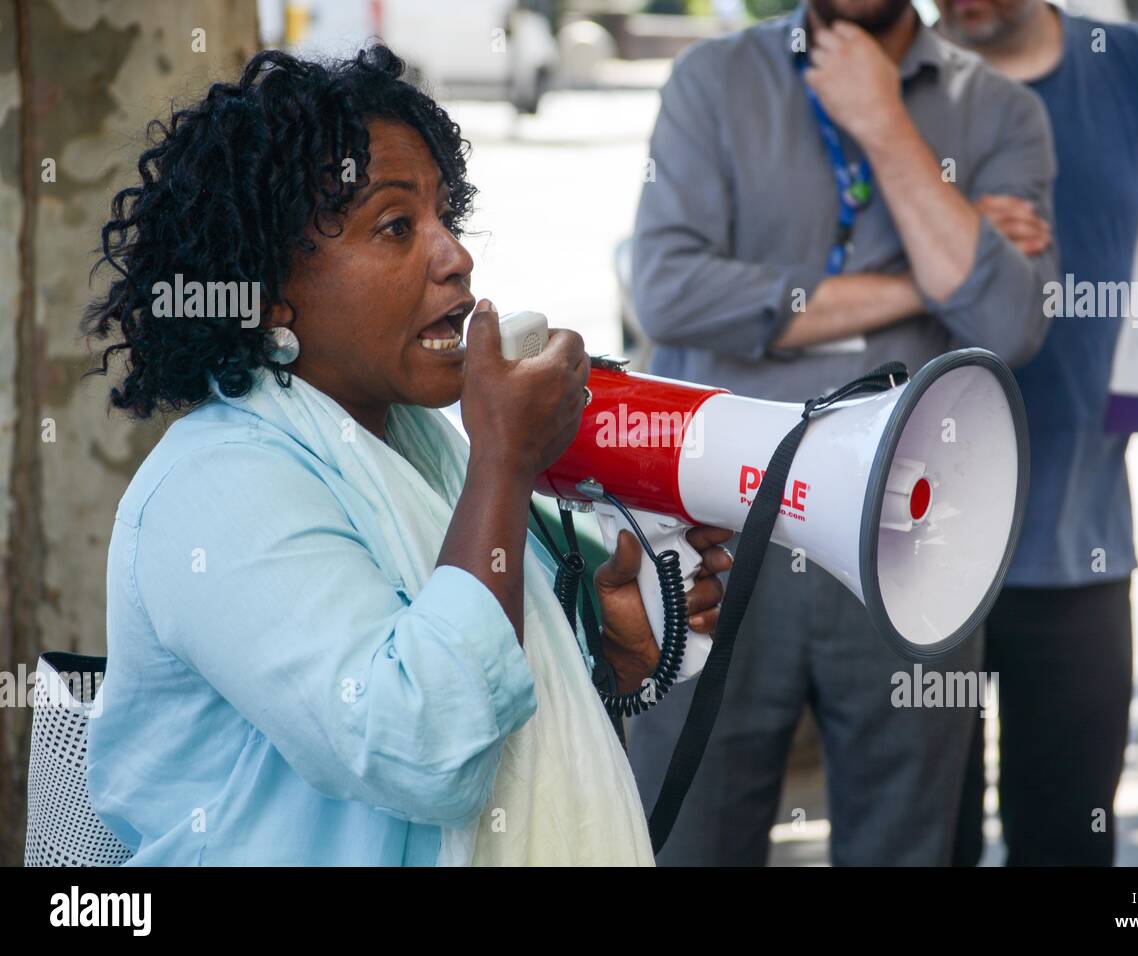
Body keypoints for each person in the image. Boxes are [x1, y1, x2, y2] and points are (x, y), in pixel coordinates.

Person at [81, 45, 735, 866]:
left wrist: (607, 651)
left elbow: (474, 669)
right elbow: (422, 748)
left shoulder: (415, 441)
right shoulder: (216, 488)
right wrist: (503, 461)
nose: (454, 255)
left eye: (444, 216)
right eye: (397, 226)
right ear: (272, 288)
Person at [627, 0, 1060, 865]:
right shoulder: (713, 79)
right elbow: (671, 292)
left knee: (905, 845)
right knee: (686, 839)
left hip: (915, 542)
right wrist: (930, 277)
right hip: (713, 538)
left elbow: (1012, 322)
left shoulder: (1004, 110)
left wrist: (884, 122)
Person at [936, 0, 1138, 866]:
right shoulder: (890, 86)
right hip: (911, 550)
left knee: (1069, 838)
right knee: (920, 845)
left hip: (1078, 539)